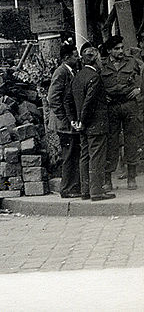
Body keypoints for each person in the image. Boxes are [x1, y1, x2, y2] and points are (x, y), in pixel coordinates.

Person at [65, 45, 115, 201]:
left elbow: (67, 100)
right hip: (95, 125)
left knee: (85, 157)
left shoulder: (77, 76)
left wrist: (74, 120)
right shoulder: (95, 77)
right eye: (100, 58)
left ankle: (86, 190)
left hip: (83, 126)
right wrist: (82, 120)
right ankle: (97, 192)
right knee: (97, 158)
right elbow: (90, 102)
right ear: (96, 59)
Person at [99, 35, 142, 190]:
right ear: (109, 50)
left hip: (129, 105)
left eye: (121, 48)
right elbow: (96, 84)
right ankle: (107, 179)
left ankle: (131, 177)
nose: (120, 51)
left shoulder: (132, 62)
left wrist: (139, 89)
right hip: (112, 107)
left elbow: (142, 76)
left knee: (132, 140)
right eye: (116, 48)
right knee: (111, 142)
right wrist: (102, 96)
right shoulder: (102, 65)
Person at [48, 43, 81, 198]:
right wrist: (64, 118)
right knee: (68, 155)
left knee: (73, 153)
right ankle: (66, 189)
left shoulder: (70, 71)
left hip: (67, 122)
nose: (78, 58)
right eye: (75, 56)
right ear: (66, 58)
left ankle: (73, 186)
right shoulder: (61, 72)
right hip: (64, 124)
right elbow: (53, 98)